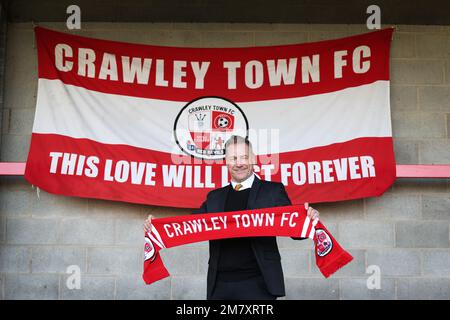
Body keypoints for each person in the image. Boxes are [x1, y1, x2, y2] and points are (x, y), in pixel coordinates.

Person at [144, 135, 320, 300]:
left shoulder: (272, 191)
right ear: (226, 162)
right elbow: (189, 225)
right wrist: (157, 226)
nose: (239, 163)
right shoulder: (215, 197)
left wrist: (309, 219)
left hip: (259, 283)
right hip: (220, 285)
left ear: (252, 159)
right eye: (233, 158)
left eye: (244, 157)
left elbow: (296, 230)